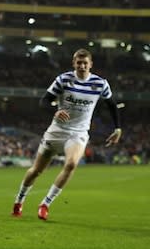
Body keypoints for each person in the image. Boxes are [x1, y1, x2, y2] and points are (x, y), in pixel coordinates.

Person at [11, 48, 122, 221]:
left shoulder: (100, 83)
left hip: (78, 133)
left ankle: (45, 204)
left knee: (71, 164)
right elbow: (44, 101)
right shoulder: (63, 79)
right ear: (74, 63)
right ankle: (19, 200)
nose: (82, 65)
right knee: (36, 171)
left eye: (85, 63)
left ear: (91, 64)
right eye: (79, 62)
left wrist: (117, 128)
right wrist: (54, 112)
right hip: (57, 131)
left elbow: (112, 105)